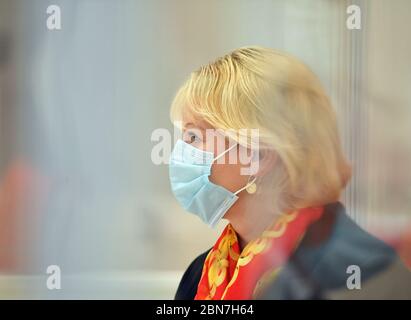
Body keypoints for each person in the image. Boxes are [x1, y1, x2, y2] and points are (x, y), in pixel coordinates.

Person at [168, 46, 411, 300]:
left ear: (258, 156)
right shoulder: (200, 273)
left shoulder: (359, 274)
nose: (179, 152)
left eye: (193, 136)